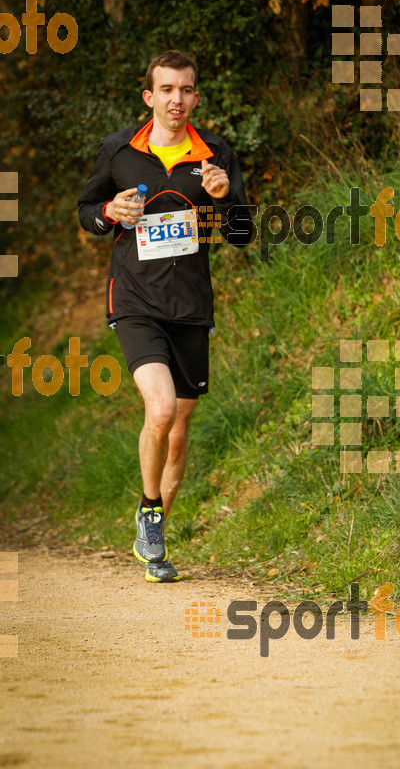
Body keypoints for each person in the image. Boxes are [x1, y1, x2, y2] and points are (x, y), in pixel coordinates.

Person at [78, 50, 254, 583]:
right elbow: (87, 212)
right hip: (134, 302)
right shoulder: (120, 151)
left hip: (191, 307)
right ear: (149, 96)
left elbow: (243, 235)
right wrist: (110, 213)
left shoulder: (216, 154)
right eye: (167, 90)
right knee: (158, 411)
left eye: (187, 90)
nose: (177, 99)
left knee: (178, 431)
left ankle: (151, 541)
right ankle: (150, 514)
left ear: (196, 97)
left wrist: (225, 201)